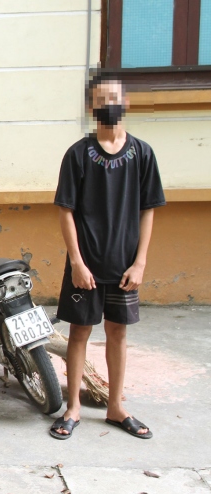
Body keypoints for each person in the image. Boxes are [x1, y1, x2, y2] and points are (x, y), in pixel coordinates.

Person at [49, 74, 165, 440]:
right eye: (101, 99)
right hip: (86, 267)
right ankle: (73, 408)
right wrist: (77, 262)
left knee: (117, 333)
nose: (108, 104)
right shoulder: (78, 154)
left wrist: (140, 262)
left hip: (125, 267)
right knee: (79, 334)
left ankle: (116, 407)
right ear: (91, 106)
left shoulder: (142, 154)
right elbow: (65, 211)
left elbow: (148, 209)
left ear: (125, 102)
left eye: (114, 97)